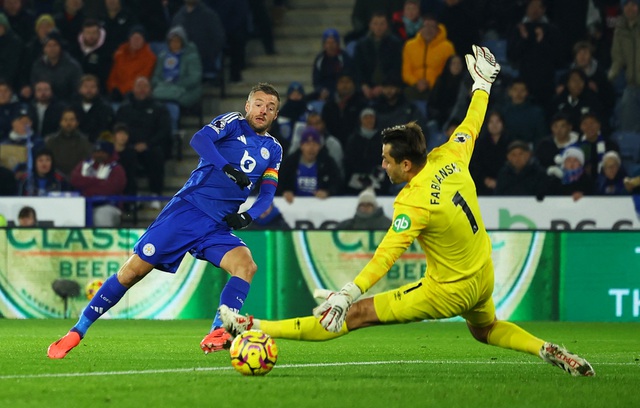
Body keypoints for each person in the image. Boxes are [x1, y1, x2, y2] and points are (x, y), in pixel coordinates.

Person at [219, 46, 595, 378]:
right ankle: (544, 348)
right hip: (483, 274)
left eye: (387, 161)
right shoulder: (451, 154)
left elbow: (387, 256)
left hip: (449, 290)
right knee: (486, 328)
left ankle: (253, 324)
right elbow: (473, 123)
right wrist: (482, 85)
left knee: (354, 316)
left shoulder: (413, 201)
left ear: (407, 165)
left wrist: (348, 293)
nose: (382, 166)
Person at [47, 82, 283, 359]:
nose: (263, 110)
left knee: (246, 265)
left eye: (270, 107)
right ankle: (77, 331)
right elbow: (199, 140)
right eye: (258, 104)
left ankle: (219, 330)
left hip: (217, 225)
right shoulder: (231, 122)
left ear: (275, 115)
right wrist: (225, 166)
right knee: (131, 272)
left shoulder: (274, 149)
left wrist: (248, 216)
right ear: (247, 106)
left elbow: (267, 193)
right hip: (187, 211)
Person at [276, 126, 342, 203]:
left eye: (315, 144)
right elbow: (279, 182)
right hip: (294, 205)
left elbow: (337, 183)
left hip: (320, 205)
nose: (311, 148)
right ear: (301, 146)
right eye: (307, 144)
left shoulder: (328, 163)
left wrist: (328, 192)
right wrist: (285, 192)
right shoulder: (290, 162)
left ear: (320, 146)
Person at [70, 141, 127, 227]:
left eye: (102, 152)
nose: (98, 155)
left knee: (102, 218)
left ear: (109, 153)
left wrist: (86, 187)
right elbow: (74, 180)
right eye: (96, 152)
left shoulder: (116, 168)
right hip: (82, 205)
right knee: (71, 217)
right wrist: (98, 181)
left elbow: (111, 188)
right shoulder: (84, 165)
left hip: (108, 205)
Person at [402, 14, 455, 102]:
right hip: (414, 87)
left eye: (432, 27)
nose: (428, 30)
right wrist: (417, 83)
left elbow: (450, 73)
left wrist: (432, 84)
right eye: (425, 26)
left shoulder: (447, 47)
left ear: (438, 30)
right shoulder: (409, 46)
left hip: (438, 89)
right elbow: (406, 72)